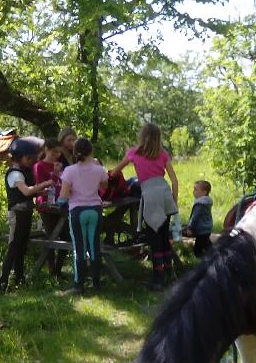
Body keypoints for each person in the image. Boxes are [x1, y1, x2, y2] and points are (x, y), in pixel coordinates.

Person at [110, 123, 178, 291]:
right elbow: (175, 180)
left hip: (150, 194)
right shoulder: (162, 154)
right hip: (164, 193)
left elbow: (115, 172)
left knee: (154, 237)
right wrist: (174, 201)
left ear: (142, 136)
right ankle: (169, 272)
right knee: (163, 235)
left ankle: (157, 277)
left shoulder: (134, 153)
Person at [0, 139, 53, 294]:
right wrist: (44, 184)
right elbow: (26, 191)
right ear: (19, 157)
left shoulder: (22, 172)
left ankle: (19, 277)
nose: (30, 161)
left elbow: (30, 191)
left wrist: (40, 192)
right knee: (14, 247)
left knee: (22, 247)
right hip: (17, 214)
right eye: (28, 158)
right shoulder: (15, 173)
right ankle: (3, 281)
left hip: (26, 213)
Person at [58, 138, 108, 295]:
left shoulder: (69, 171)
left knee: (79, 248)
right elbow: (104, 185)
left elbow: (64, 195)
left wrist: (60, 201)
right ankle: (96, 283)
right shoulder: (99, 169)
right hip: (95, 209)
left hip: (77, 211)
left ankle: (78, 285)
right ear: (91, 151)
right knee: (94, 247)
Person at [33, 138, 68, 279]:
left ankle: (58, 271)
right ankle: (52, 271)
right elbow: (41, 187)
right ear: (47, 149)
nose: (57, 155)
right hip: (46, 206)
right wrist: (54, 174)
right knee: (51, 236)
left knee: (66, 236)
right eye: (54, 152)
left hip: (61, 205)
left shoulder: (60, 165)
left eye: (59, 153)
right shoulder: (39, 166)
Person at [184, 180, 213, 258]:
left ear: (204, 192)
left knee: (198, 250)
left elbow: (195, 217)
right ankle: (215, 255)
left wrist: (190, 228)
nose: (194, 191)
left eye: (196, 189)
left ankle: (204, 261)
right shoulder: (207, 202)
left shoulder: (200, 204)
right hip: (207, 228)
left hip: (201, 229)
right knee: (207, 245)